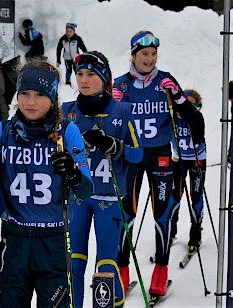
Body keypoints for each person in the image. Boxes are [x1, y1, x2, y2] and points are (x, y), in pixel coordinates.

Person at [0, 59, 93, 307]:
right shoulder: (1, 132)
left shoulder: (67, 133)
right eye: (24, 93)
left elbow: (86, 189)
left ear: (53, 97)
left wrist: (73, 173)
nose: (30, 102)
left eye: (39, 95)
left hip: (54, 240)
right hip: (15, 239)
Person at [113, 31, 203, 296]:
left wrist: (179, 98)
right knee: (126, 213)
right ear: (133, 55)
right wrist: (111, 105)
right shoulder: (121, 85)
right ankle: (121, 270)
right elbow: (105, 122)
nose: (149, 59)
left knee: (161, 213)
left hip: (161, 155)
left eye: (153, 54)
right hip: (130, 156)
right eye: (144, 54)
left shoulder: (165, 81)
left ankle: (160, 272)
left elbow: (192, 118)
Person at [61, 51, 143, 307]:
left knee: (106, 263)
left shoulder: (122, 110)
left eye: (91, 75)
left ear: (104, 77)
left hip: (110, 197)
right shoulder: (67, 111)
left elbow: (138, 154)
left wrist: (115, 146)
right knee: (73, 260)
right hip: (78, 196)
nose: (84, 80)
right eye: (80, 74)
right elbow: (56, 150)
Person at [169, 89, 206, 255]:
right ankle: (170, 232)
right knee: (175, 194)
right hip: (178, 160)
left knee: (196, 195)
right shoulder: (172, 118)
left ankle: (195, 235)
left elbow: (198, 137)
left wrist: (191, 119)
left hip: (197, 159)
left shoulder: (197, 118)